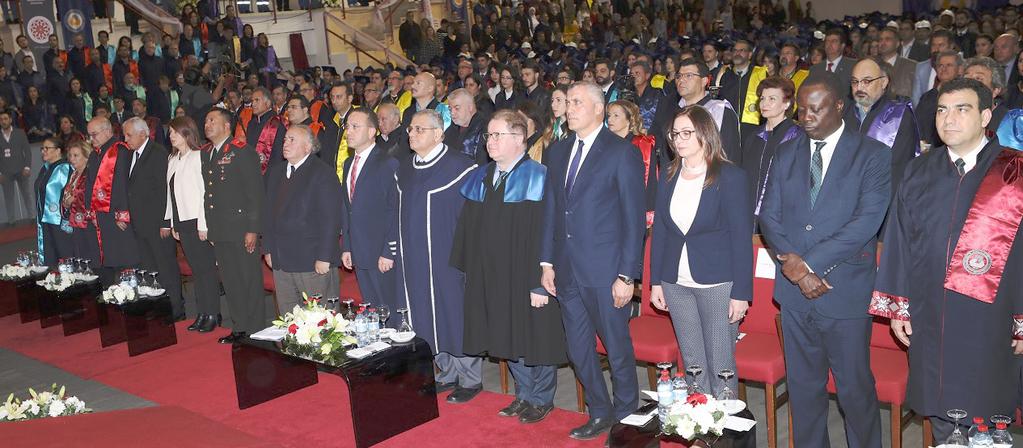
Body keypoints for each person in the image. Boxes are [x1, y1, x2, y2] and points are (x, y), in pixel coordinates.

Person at [869, 77, 1023, 442]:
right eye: (942, 110)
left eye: (961, 109)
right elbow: (899, 239)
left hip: (991, 317)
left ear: (986, 115)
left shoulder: (1013, 172)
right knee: (941, 413)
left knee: (986, 416)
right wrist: (899, 307)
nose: (948, 119)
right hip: (930, 312)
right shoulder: (920, 170)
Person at [758, 73, 890, 447]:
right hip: (796, 294)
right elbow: (769, 216)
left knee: (854, 390)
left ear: (838, 107)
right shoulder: (786, 151)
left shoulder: (873, 155)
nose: (807, 116)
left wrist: (809, 265)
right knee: (803, 388)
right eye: (801, 109)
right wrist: (798, 273)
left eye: (816, 109)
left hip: (843, 290)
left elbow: (867, 221)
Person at [539, 82, 645, 441]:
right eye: (567, 102)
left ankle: (628, 418)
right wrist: (546, 263)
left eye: (577, 102)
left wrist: (627, 275)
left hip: (606, 270)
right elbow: (551, 210)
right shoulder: (557, 151)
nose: (569, 108)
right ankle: (600, 411)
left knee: (617, 348)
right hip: (567, 269)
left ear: (599, 109)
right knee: (578, 349)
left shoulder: (620, 152)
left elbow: (633, 219)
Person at [452, 109, 567, 423]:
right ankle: (523, 394)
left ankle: (542, 398)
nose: (490, 141)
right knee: (506, 334)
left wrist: (538, 282)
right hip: (493, 275)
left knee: (535, 336)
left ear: (520, 139)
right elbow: (468, 232)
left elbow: (549, 234)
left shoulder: (539, 178)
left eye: (497, 135)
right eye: (489, 135)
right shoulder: (482, 176)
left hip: (528, 274)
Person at [649, 105, 753, 396]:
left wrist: (741, 293)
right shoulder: (669, 175)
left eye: (686, 133)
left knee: (721, 363)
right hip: (675, 281)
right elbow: (661, 233)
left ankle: (724, 432)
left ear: (705, 134)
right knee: (693, 362)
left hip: (718, 283)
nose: (678, 140)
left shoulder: (729, 176)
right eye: (674, 134)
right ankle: (698, 427)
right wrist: (656, 281)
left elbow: (741, 238)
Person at [394, 110, 479, 403]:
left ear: (438, 134)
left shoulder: (462, 166)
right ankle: (445, 372)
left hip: (449, 257)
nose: (412, 134)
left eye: (419, 129)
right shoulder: (404, 168)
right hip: (414, 257)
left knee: (453, 313)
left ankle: (470, 377)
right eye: (410, 129)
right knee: (424, 313)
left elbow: (474, 219)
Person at [263, 124, 343, 312]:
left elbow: (331, 218)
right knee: (289, 316)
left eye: (292, 140)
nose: (286, 143)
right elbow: (267, 213)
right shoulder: (276, 172)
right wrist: (267, 249)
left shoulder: (323, 173)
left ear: (308, 147)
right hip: (281, 259)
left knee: (320, 319)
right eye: (285, 139)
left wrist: (324, 256)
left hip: (312, 260)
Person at [203, 108, 266, 344]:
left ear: (227, 126)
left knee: (248, 279)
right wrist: (211, 227)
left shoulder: (241, 151)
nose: (207, 125)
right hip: (221, 229)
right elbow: (210, 196)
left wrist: (253, 228)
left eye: (212, 120)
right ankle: (240, 327)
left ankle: (256, 329)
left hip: (241, 228)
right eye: (206, 121)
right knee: (230, 280)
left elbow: (255, 194)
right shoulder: (209, 153)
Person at [124, 117, 184, 321]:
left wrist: (165, 221)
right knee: (149, 269)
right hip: (140, 224)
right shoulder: (131, 155)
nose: (126, 139)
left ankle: (175, 308)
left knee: (165, 267)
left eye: (129, 135)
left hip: (158, 223)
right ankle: (158, 307)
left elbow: (165, 190)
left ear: (143, 133)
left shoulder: (157, 153)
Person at [340, 109, 399, 316]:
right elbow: (347, 209)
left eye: (356, 126)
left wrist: (388, 251)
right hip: (358, 249)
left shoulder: (387, 163)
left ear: (372, 131)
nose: (349, 131)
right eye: (347, 126)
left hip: (380, 252)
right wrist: (347, 246)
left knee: (388, 309)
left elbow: (394, 210)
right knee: (370, 308)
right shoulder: (348, 164)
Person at [166, 116, 221, 333]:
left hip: (198, 221)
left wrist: (204, 224)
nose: (171, 136)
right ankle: (202, 312)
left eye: (174, 132)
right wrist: (172, 222)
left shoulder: (199, 157)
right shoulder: (172, 159)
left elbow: (205, 194)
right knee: (197, 270)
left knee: (206, 270)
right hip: (182, 221)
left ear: (187, 133)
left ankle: (212, 313)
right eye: (170, 132)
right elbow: (170, 194)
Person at [845, 58, 920, 199]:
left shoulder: (898, 116)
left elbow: (899, 169)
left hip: (882, 198)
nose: (859, 88)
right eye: (855, 82)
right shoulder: (845, 113)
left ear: (883, 82)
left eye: (867, 81)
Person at [740, 76, 802, 228]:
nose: (764, 103)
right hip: (747, 212)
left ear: (786, 104)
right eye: (762, 98)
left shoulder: (796, 136)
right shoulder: (754, 136)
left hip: (780, 216)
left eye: (772, 99)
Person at [85, 116, 140, 286]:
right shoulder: (95, 155)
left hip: (117, 215)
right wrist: (90, 210)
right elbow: (89, 186)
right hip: (101, 216)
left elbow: (123, 184)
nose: (91, 139)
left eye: (94, 134)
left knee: (125, 258)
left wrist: (122, 213)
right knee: (109, 259)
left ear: (108, 131)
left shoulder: (120, 151)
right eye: (89, 135)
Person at [606, 100, 656, 226]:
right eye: (609, 115)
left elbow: (650, 179)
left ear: (629, 120)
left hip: (633, 206)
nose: (610, 119)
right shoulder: (605, 144)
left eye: (616, 115)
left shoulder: (642, 144)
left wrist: (648, 211)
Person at [34, 138, 72, 267]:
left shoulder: (65, 168)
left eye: (47, 148)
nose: (43, 151)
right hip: (45, 219)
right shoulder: (45, 169)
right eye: (42, 148)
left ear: (58, 151)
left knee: (64, 253)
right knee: (50, 255)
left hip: (59, 221)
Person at [62, 141, 100, 263]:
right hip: (75, 220)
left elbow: (91, 195)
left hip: (88, 220)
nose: (72, 159)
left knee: (90, 253)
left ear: (86, 156)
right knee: (80, 253)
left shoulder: (90, 173)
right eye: (70, 156)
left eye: (76, 155)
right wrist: (66, 202)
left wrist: (73, 200)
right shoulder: (74, 174)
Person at [235, 87, 285, 174]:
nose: (253, 104)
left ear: (268, 103)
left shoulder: (277, 123)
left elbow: (278, 155)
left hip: (271, 172)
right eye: (252, 101)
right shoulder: (252, 123)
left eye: (257, 100)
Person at [0, 109, 32, 224]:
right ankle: (11, 221)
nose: (3, 121)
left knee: (27, 195)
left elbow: (27, 151)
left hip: (21, 169)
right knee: (8, 197)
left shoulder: (20, 133)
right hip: (5, 172)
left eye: (5, 119)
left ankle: (32, 217)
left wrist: (27, 167)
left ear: (10, 120)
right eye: (1, 119)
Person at [444, 88, 489, 164]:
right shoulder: (451, 129)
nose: (452, 113)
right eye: (450, 109)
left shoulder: (485, 128)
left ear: (470, 107)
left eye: (457, 108)